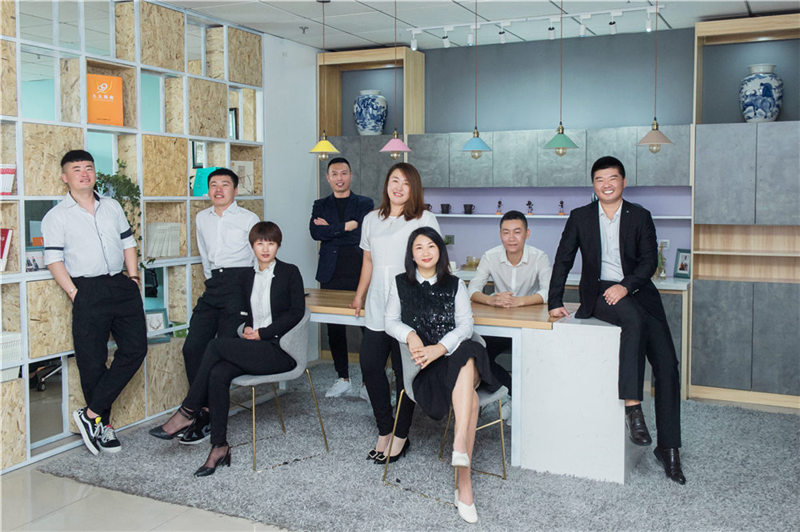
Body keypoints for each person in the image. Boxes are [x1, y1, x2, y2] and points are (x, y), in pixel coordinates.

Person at [548, 156, 685, 484]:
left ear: (623, 182)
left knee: (668, 366)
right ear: (593, 185)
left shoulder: (640, 215)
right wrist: (554, 301)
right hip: (601, 294)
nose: (606, 184)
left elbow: (649, 261)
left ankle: (668, 448)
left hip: (638, 292)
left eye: (612, 178)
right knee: (632, 321)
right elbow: (563, 259)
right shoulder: (580, 217)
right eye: (599, 179)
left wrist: (626, 286)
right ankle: (633, 407)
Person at [149, 221, 304, 477]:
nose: (265, 249)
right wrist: (246, 328)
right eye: (260, 243)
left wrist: (263, 333)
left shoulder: (290, 272)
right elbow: (243, 314)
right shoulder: (246, 277)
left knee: (215, 345)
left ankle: (188, 410)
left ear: (278, 245)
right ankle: (219, 447)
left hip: (279, 351)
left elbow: (296, 312)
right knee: (218, 373)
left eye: (271, 243)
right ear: (252, 246)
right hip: (254, 348)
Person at [385, 227, 498, 524]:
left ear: (440, 251)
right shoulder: (400, 284)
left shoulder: (455, 284)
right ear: (411, 254)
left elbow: (466, 327)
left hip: (453, 355)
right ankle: (463, 477)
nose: (425, 252)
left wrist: (440, 348)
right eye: (419, 247)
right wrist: (410, 335)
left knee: (466, 352)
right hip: (427, 368)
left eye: (431, 246)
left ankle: (460, 452)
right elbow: (390, 322)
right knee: (470, 399)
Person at [41, 150, 147, 455]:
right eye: (77, 169)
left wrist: (134, 278)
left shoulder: (111, 206)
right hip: (87, 289)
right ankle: (102, 424)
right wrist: (75, 293)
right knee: (92, 360)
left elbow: (128, 242)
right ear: (65, 177)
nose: (84, 173)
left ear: (95, 173)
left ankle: (90, 413)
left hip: (121, 284)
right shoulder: (57, 216)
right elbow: (53, 259)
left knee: (136, 349)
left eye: (88, 168)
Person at [351, 162, 441, 463]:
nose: (399, 187)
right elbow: (368, 261)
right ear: (386, 184)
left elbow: (434, 260)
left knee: (405, 375)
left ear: (414, 188)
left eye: (406, 182)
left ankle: (401, 435)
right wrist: (359, 295)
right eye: (394, 180)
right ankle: (384, 428)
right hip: (377, 305)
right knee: (370, 367)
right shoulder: (371, 219)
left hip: (409, 307)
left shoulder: (424, 218)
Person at [180, 168, 259, 444]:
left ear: (235, 190)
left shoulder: (249, 218)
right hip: (214, 284)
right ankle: (202, 408)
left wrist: (251, 298)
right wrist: (211, 280)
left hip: (241, 284)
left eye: (225, 184)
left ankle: (210, 418)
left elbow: (257, 258)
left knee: (223, 351)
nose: (218, 189)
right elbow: (204, 254)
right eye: (213, 184)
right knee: (192, 348)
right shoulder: (202, 218)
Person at [468, 210, 552, 418]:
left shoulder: (539, 257)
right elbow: (472, 289)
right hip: (499, 325)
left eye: (517, 232)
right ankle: (513, 397)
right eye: (506, 232)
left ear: (527, 234)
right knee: (480, 356)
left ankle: (527, 402)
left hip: (529, 325)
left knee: (536, 361)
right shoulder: (490, 256)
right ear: (500, 234)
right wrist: (490, 300)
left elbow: (548, 291)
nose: (511, 238)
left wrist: (520, 301)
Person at [309, 157, 373, 398]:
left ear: (351, 175)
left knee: (368, 328)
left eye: (343, 173)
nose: (339, 178)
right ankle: (342, 377)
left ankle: (368, 383)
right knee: (334, 328)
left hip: (359, 270)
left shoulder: (365, 203)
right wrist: (345, 226)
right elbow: (315, 232)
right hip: (331, 272)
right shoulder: (320, 204)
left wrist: (331, 229)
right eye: (334, 174)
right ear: (328, 178)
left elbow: (362, 234)